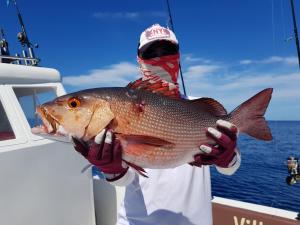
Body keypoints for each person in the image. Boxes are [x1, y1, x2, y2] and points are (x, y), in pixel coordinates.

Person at [73, 24, 241, 225]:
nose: (160, 59)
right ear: (139, 61)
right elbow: (125, 181)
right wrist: (111, 168)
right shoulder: (120, 107)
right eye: (151, 53)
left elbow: (230, 169)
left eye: (167, 51)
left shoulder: (198, 108)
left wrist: (228, 158)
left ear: (178, 57)